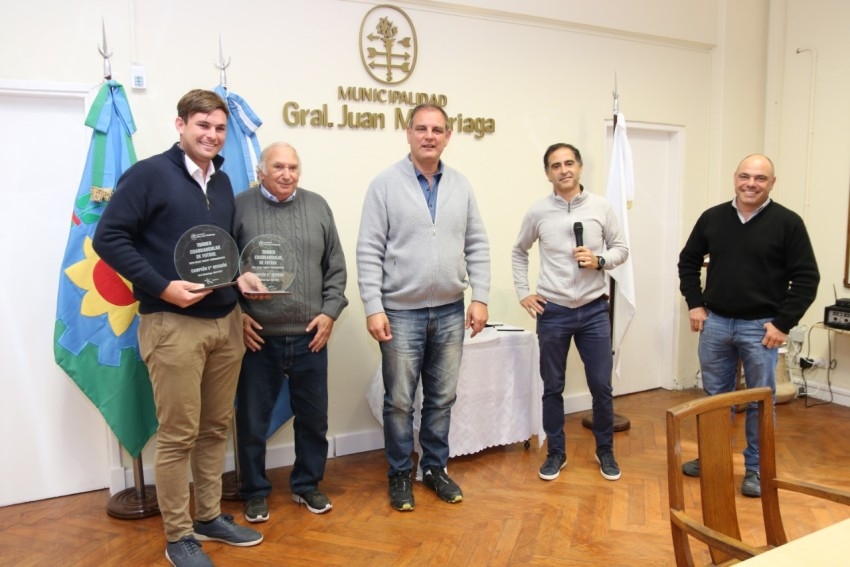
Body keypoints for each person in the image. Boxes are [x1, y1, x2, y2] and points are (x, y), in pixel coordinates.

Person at [93, 89, 265, 567]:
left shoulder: (225, 181)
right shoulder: (148, 175)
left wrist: (239, 278)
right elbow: (108, 237)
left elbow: (217, 249)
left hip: (226, 322)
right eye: (202, 126)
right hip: (172, 326)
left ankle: (209, 516)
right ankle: (178, 536)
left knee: (214, 427)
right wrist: (160, 286)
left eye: (218, 128)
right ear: (180, 125)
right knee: (178, 433)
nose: (211, 135)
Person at [356, 103, 491, 511]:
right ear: (408, 133)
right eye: (421, 128)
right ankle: (399, 474)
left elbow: (477, 244)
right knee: (399, 401)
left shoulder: (462, 186)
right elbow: (368, 249)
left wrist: (480, 296)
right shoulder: (384, 184)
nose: (429, 135)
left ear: (448, 136)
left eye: (437, 129)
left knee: (442, 398)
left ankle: (433, 468)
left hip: (451, 310)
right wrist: (372, 305)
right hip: (399, 312)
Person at [677, 153, 819, 497]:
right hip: (716, 324)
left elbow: (806, 278)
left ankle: (755, 469)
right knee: (714, 399)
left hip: (761, 329)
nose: (750, 184)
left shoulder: (788, 223)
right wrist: (695, 304)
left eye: (759, 178)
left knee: (760, 401)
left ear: (771, 183)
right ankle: (712, 456)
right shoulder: (713, 217)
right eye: (745, 176)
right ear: (735, 178)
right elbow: (688, 261)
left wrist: (782, 324)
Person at [233, 142, 348, 521]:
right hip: (257, 338)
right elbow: (222, 270)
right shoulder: (239, 206)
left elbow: (336, 267)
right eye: (278, 167)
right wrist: (237, 315)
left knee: (314, 419)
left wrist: (330, 313)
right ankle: (253, 491)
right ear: (261, 171)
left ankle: (307, 485)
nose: (287, 174)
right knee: (251, 422)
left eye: (293, 167)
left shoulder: (317, 206)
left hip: (310, 335)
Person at [512, 143, 629, 483]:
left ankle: (604, 449)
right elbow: (519, 251)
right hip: (554, 311)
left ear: (580, 167)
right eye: (555, 165)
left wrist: (599, 260)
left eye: (569, 163)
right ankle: (556, 452)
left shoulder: (600, 207)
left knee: (601, 387)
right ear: (547, 172)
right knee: (553, 387)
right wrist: (524, 293)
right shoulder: (538, 212)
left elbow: (621, 249)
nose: (563, 170)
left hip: (594, 310)